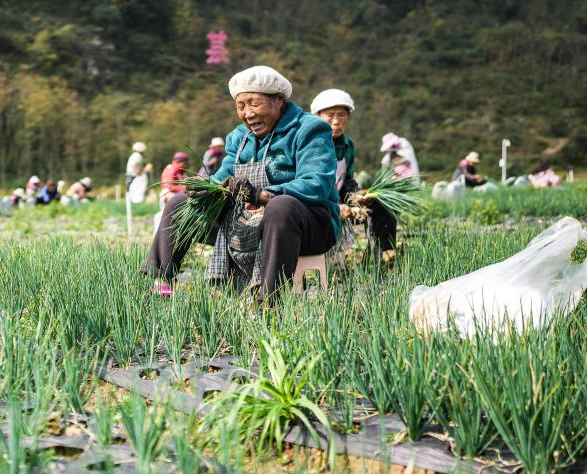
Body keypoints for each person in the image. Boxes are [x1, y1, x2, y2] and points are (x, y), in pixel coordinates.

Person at [144, 65, 339, 304]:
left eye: (254, 104)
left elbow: (316, 183)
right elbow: (223, 176)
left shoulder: (309, 129)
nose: (248, 113)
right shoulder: (239, 136)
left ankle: (268, 301)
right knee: (179, 203)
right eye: (241, 106)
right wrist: (205, 188)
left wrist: (265, 195)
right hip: (246, 224)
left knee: (281, 207)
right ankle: (161, 284)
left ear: (279, 101)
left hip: (308, 225)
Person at [311, 88, 397, 263]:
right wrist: (334, 206)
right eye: (330, 115)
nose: (336, 121)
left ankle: (381, 255)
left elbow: (347, 180)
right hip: (314, 203)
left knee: (382, 206)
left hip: (340, 200)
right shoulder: (309, 142)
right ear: (317, 116)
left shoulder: (347, 145)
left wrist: (357, 195)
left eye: (342, 115)